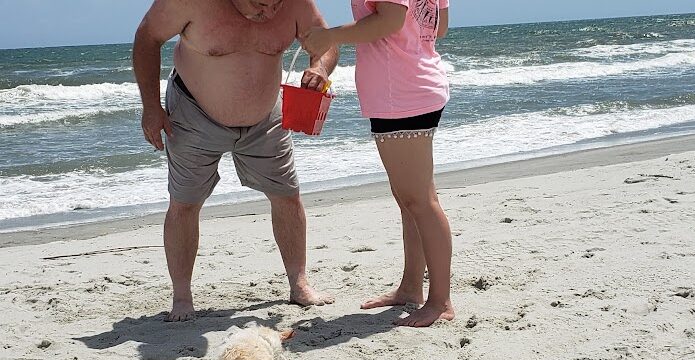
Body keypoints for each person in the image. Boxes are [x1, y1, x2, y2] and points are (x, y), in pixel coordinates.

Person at [133, 0, 339, 321]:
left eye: (276, 5)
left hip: (266, 117)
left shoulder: (295, 3)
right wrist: (150, 107)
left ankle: (299, 284)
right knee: (185, 202)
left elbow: (326, 42)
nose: (269, 13)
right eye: (260, 4)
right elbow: (147, 37)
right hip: (193, 114)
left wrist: (320, 67)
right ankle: (182, 298)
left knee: (287, 194)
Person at [302, 0, 454, 327]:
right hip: (413, 85)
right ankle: (412, 287)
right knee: (411, 200)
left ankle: (440, 301)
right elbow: (437, 27)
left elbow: (390, 22)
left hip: (401, 94)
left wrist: (329, 36)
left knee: (419, 202)